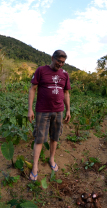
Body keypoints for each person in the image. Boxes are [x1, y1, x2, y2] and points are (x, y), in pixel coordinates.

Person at [27, 50, 71, 181]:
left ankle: (51, 159)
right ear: (52, 58)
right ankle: (35, 166)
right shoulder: (41, 70)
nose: (60, 64)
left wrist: (68, 109)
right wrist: (30, 109)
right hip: (42, 110)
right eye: (58, 61)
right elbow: (33, 89)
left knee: (55, 136)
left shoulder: (65, 74)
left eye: (63, 62)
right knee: (40, 138)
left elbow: (66, 93)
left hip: (58, 111)